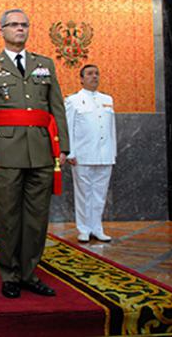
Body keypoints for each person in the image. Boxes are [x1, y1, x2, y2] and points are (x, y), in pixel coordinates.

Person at [0, 8, 69, 299]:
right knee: (8, 217)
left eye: (24, 25)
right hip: (5, 154)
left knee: (37, 217)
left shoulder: (45, 65)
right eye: (13, 25)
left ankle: (29, 272)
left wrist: (62, 146)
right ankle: (10, 274)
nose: (19, 29)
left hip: (41, 152)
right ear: (0, 30)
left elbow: (57, 107)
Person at [65, 65, 116, 243]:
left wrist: (113, 152)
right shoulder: (73, 100)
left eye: (96, 73)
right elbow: (68, 126)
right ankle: (84, 229)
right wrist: (69, 152)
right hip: (83, 154)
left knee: (100, 194)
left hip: (105, 154)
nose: (94, 77)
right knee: (83, 193)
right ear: (81, 78)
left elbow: (112, 129)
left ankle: (97, 227)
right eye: (89, 74)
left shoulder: (107, 99)